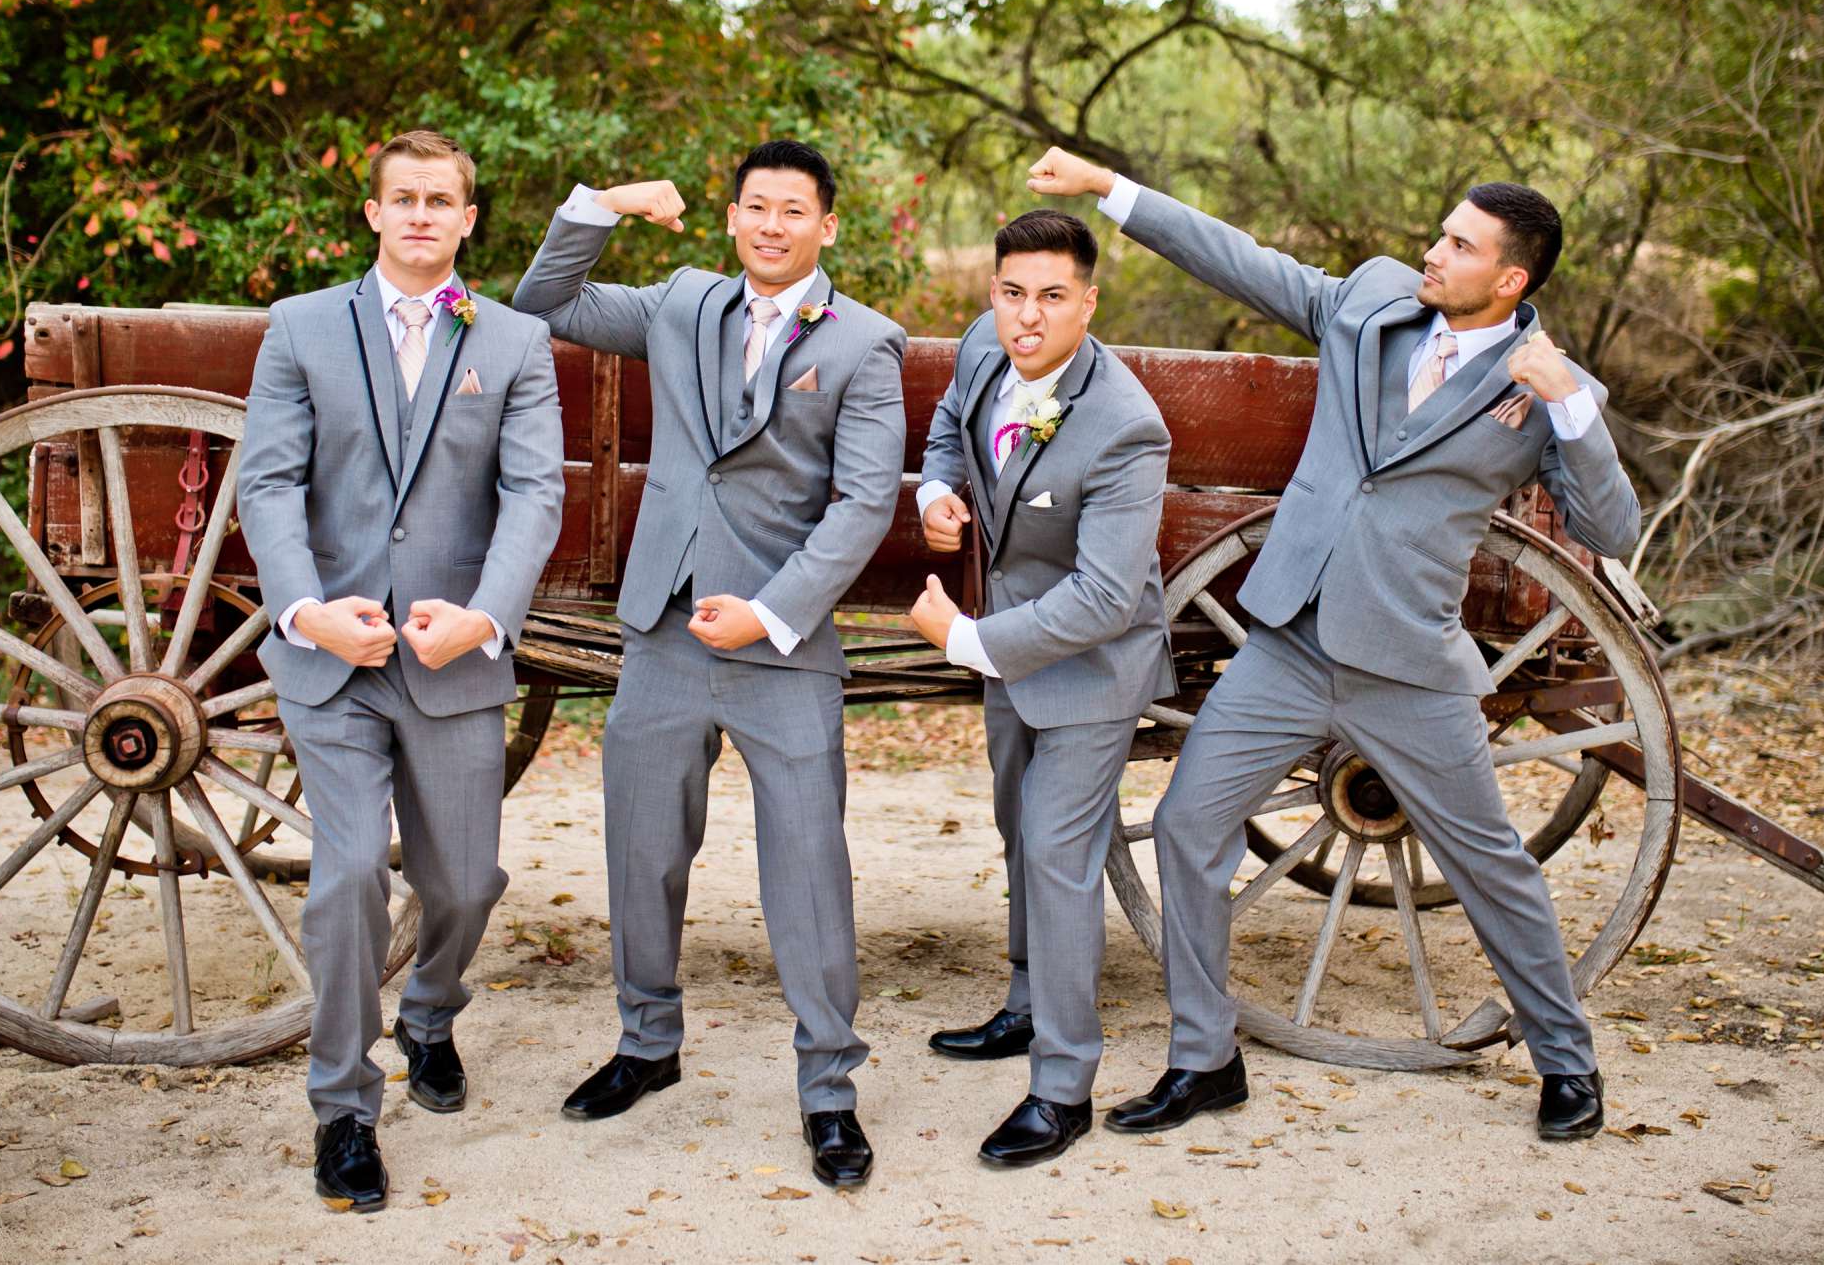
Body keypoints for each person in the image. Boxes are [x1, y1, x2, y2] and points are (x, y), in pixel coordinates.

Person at [1023, 146, 1640, 1142]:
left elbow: (1612, 530)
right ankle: (1204, 1057)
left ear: (1511, 278)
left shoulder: (1547, 394)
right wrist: (1109, 191)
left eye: (1458, 244)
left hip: (1409, 666)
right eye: (1441, 232)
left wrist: (1570, 399)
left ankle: (1568, 1062)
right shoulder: (1372, 304)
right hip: (1288, 644)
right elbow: (1242, 261)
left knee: (1491, 866)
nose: (1432, 253)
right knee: (1185, 826)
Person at [512, 139, 906, 1188]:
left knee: (808, 871)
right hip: (664, 629)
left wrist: (772, 613)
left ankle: (829, 1090)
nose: (773, 226)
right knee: (643, 850)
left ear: (827, 227)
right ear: (733, 218)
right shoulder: (680, 302)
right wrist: (599, 199)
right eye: (756, 208)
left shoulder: (866, 343)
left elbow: (865, 502)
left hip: (781, 643)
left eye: (795, 211)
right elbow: (545, 299)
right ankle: (648, 1044)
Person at [238, 128, 566, 1211]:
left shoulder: (514, 341)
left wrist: (482, 619)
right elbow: (270, 485)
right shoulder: (299, 329)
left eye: (443, 200)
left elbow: (534, 496)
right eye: (404, 198)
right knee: (347, 877)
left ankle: (431, 1011)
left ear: (470, 219)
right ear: (373, 213)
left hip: (453, 649)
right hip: (331, 657)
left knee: (464, 883)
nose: (422, 214)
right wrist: (304, 612)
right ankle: (343, 1107)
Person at [904, 208, 1176, 1167]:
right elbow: (945, 432)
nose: (1029, 316)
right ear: (993, 294)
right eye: (1013, 293)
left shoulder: (1127, 428)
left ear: (1089, 302)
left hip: (1091, 668)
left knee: (1059, 858)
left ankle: (1064, 1087)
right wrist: (937, 492)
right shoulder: (986, 348)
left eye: (1053, 297)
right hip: (1012, 652)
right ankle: (1025, 1005)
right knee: (1018, 827)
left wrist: (967, 636)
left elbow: (1106, 597)